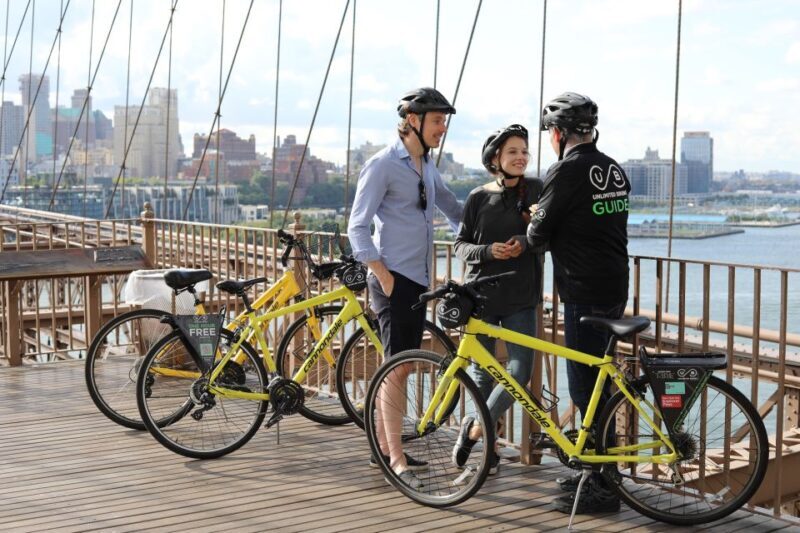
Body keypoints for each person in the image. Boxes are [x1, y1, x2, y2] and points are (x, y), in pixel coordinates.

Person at [347, 87, 463, 489]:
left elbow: (454, 209)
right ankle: (394, 457)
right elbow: (357, 227)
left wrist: (496, 232)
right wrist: (383, 274)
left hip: (416, 280)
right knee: (397, 369)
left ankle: (386, 444)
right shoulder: (382, 165)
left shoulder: (426, 165)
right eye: (436, 121)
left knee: (401, 365)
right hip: (394, 279)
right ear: (413, 120)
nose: (442, 128)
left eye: (444, 121)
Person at [525, 92, 630, 514]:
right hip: (615, 286)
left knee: (585, 388)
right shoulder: (613, 169)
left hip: (582, 290)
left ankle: (603, 487)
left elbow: (537, 235)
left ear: (557, 134)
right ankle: (596, 471)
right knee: (599, 384)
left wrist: (535, 215)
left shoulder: (565, 171)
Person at [450, 124, 543, 476]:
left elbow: (549, 237)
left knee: (519, 372)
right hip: (482, 296)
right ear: (495, 160)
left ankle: (475, 429)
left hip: (521, 297)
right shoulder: (477, 197)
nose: (520, 158)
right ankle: (488, 450)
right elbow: (460, 246)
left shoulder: (537, 190)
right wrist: (489, 250)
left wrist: (525, 241)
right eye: (512, 152)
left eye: (524, 151)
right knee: (483, 375)